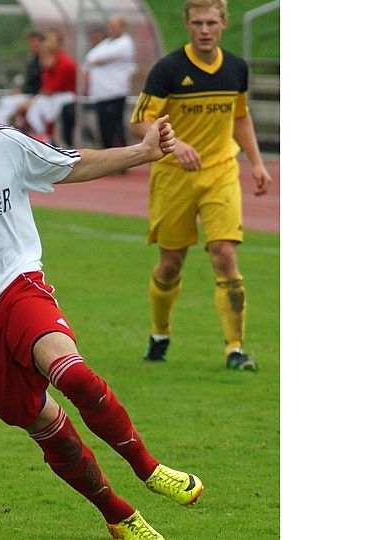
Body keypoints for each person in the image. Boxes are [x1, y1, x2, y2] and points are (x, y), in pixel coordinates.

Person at [0, 57, 201, 540]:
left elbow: (70, 164)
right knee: (48, 428)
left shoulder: (3, 144)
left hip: (17, 286)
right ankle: (117, 514)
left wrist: (142, 152)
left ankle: (149, 468)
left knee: (76, 376)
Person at [130, 0, 272, 370]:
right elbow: (141, 122)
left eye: (212, 22)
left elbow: (240, 117)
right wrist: (175, 144)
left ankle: (235, 349)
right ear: (188, 24)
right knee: (171, 263)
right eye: (198, 23)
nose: (205, 29)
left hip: (221, 171)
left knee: (224, 253)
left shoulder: (236, 69)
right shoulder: (168, 69)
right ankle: (160, 334)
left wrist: (256, 163)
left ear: (224, 24)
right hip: (174, 176)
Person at [84, 16, 136, 149]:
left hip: (115, 92)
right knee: (104, 128)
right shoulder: (107, 42)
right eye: (110, 26)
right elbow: (90, 57)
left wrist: (97, 60)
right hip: (101, 93)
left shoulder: (125, 42)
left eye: (115, 26)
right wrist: (96, 61)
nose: (112, 29)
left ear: (122, 27)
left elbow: (100, 57)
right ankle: (107, 158)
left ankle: (122, 159)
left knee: (116, 127)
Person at [25, 30, 77, 146]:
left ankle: (50, 140)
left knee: (42, 110)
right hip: (55, 95)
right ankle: (44, 138)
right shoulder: (49, 66)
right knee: (33, 113)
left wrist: (33, 100)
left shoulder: (65, 64)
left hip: (67, 96)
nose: (42, 60)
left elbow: (51, 88)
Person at [0, 30, 44, 126]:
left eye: (35, 43)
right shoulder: (32, 60)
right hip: (28, 93)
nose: (33, 45)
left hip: (34, 96)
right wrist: (20, 90)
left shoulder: (44, 61)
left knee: (5, 103)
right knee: (4, 102)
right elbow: (30, 83)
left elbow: (41, 85)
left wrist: (30, 96)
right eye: (31, 43)